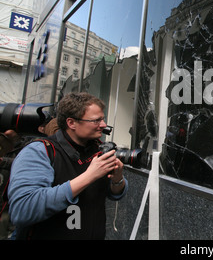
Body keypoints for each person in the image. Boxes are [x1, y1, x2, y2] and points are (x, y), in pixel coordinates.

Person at [8, 92, 128, 239]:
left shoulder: (98, 149)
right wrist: (89, 176)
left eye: (103, 119)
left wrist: (118, 180)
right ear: (71, 123)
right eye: (96, 121)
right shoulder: (40, 152)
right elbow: (23, 210)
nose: (103, 125)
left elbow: (114, 193)